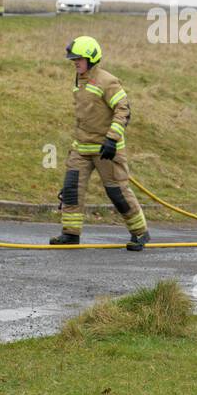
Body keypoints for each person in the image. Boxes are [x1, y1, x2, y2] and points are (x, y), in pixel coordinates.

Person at [49, 36, 150, 250]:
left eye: (78, 59)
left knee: (118, 193)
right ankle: (70, 234)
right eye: (73, 59)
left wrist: (112, 139)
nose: (74, 63)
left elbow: (123, 109)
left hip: (106, 150)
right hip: (81, 148)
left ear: (91, 59)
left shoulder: (107, 81)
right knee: (71, 191)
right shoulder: (79, 79)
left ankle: (140, 233)